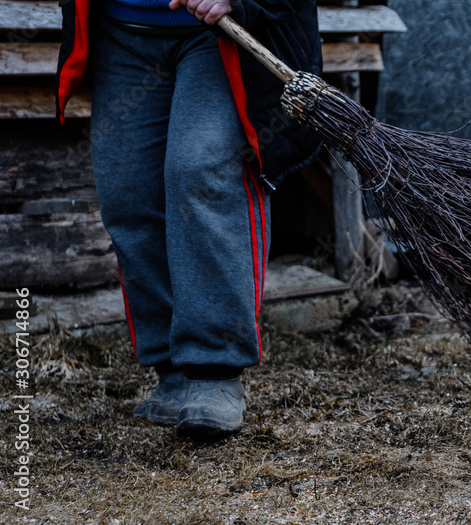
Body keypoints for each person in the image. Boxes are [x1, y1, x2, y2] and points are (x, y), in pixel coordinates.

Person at [56, 0, 323, 438]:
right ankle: (172, 369)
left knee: (201, 172)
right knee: (128, 190)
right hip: (122, 30)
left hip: (219, 30)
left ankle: (215, 370)